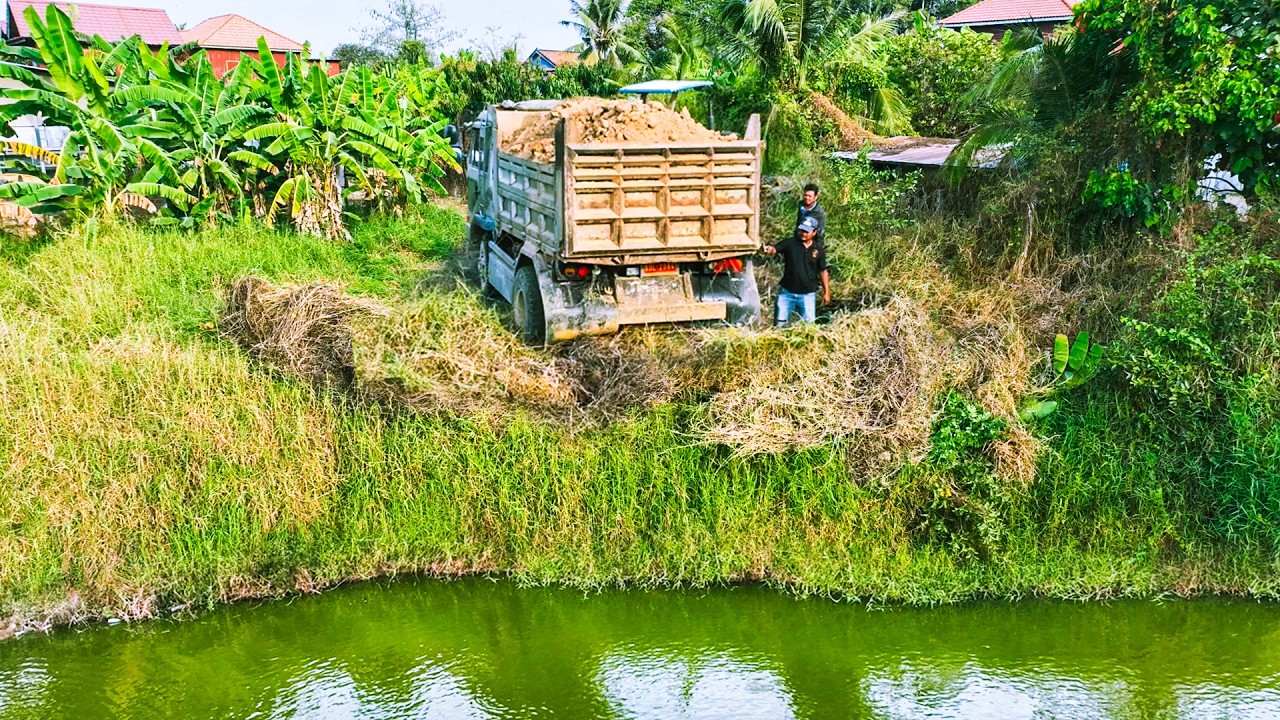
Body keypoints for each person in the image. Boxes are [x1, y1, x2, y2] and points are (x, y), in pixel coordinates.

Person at [762, 215, 829, 327]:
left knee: (808, 327)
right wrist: (769, 250)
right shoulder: (790, 243)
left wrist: (826, 292)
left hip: (808, 295)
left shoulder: (818, 249)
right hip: (787, 293)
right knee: (779, 325)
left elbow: (823, 271)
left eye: (806, 231)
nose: (803, 233)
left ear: (814, 232)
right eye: (802, 230)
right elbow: (775, 249)